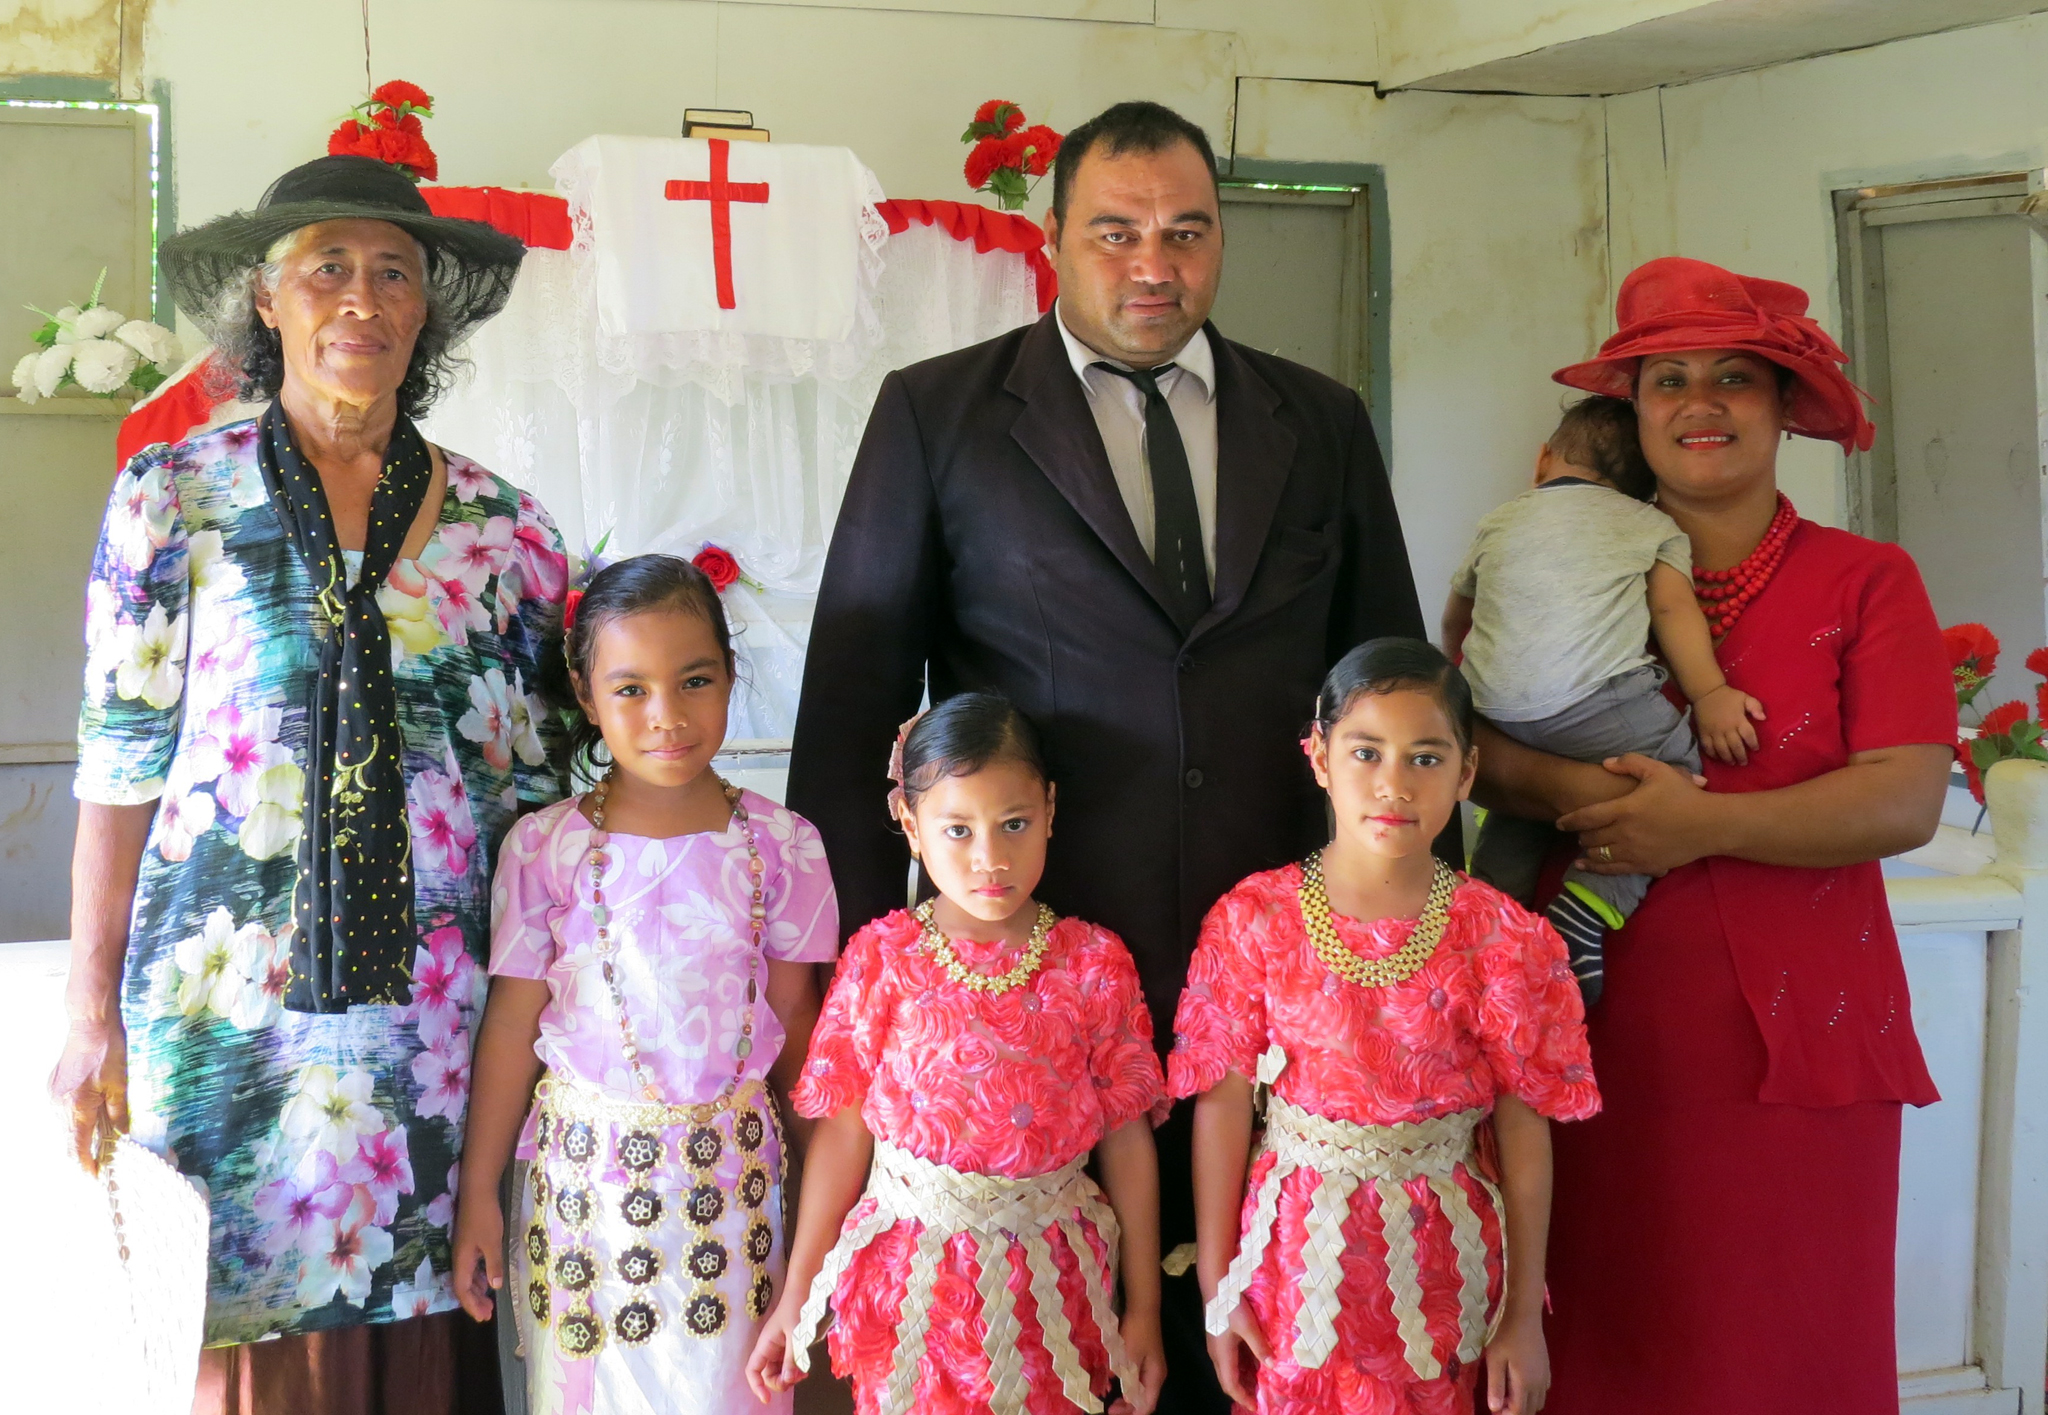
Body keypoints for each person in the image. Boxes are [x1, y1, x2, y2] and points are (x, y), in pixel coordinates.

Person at [786, 100, 1424, 1410]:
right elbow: (853, 707)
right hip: (1033, 977)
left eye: (1186, 232)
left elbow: (1393, 688)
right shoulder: (940, 414)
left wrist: (1413, 941)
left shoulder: (1320, 420)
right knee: (1055, 1345)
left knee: (1274, 1321)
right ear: (1053, 237)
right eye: (1116, 232)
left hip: (1285, 967)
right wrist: (842, 965)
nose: (1154, 265)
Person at [48, 153, 570, 1410]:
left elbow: (548, 806)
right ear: (265, 298)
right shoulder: (172, 498)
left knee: (430, 1331)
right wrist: (87, 1010)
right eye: (326, 267)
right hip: (225, 1013)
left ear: (425, 309)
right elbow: (117, 773)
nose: (360, 298)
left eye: (393, 272)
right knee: (245, 1337)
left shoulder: (506, 529)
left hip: (435, 1028)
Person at [1476, 257, 1955, 1413]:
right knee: (1596, 1345)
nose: (1699, 403)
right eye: (1668, 379)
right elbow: (1462, 746)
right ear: (1631, 412)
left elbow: (1902, 798)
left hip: (1796, 1049)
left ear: (1783, 405)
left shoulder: (1866, 578)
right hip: (1580, 1029)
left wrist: (1697, 824)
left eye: (1733, 377)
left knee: (1781, 1353)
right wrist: (1606, 798)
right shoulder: (1547, 554)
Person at [1171, 639, 1597, 1415]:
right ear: (1319, 756)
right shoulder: (1255, 918)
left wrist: (1522, 1313)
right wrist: (1217, 1285)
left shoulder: (1502, 936)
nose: (1394, 784)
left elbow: (1523, 1124)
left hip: (1444, 1272)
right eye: (1366, 752)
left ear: (1466, 773)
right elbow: (1223, 1103)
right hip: (1292, 1269)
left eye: (1425, 758)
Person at [452, 554, 836, 1415]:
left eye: (695, 680)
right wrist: (479, 1188)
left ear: (730, 674)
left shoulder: (785, 845)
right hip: (583, 1202)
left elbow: (799, 1027)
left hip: (732, 1202)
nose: (668, 714)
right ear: (586, 695)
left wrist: (828, 1217)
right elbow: (512, 1024)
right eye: (631, 689)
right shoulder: (542, 847)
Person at [748, 693, 1169, 1415]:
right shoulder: (881, 958)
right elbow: (844, 1135)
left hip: (1053, 1290)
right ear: (911, 825)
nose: (990, 858)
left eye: (1014, 824)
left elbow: (1126, 1141)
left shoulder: (1093, 962)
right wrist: (797, 1296)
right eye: (957, 829)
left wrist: (1146, 1307)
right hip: (911, 1292)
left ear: (1050, 810)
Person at [1443, 395, 1764, 1003]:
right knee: (1672, 781)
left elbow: (1460, 611)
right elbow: (1673, 610)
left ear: (1543, 460)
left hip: (1495, 710)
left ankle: (1490, 925)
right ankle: (1586, 910)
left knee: (1521, 809)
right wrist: (1711, 693)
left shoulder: (1501, 519)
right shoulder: (1650, 524)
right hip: (1594, 703)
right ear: (1648, 486)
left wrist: (1466, 672)